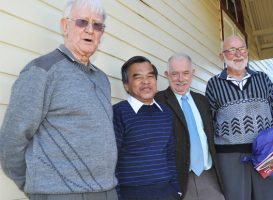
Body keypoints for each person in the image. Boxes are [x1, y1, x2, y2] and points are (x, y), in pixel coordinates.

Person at [0, 0, 118, 199]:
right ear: (65, 26)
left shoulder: (102, 79)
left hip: (106, 190)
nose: (90, 30)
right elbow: (11, 140)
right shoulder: (41, 71)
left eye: (97, 25)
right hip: (59, 193)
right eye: (82, 22)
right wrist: (35, 185)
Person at [205, 35, 273, 200]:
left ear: (247, 51)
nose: (238, 54)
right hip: (230, 158)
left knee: (272, 196)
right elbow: (209, 124)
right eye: (232, 50)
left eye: (241, 49)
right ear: (222, 56)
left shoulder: (263, 79)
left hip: (268, 153)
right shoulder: (213, 84)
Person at [155, 53, 224, 200]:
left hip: (208, 176)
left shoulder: (203, 101)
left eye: (186, 73)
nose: (181, 79)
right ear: (167, 74)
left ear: (192, 73)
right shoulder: (157, 101)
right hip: (178, 179)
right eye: (175, 74)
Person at [113, 56, 181, 200]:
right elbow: (111, 161)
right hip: (132, 194)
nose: (146, 82)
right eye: (138, 77)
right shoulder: (117, 113)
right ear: (126, 85)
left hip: (167, 192)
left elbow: (169, 154)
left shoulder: (166, 112)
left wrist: (176, 190)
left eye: (150, 76)